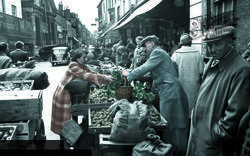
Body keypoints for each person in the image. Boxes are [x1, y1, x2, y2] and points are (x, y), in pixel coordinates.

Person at [186, 26, 250, 156]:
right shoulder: (213, 61)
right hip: (200, 135)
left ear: (229, 42)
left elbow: (236, 113)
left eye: (217, 44)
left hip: (212, 142)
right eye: (209, 45)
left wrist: (215, 135)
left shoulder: (241, 69)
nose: (212, 49)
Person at [122, 35, 189, 156]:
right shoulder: (160, 53)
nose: (145, 48)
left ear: (152, 43)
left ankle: (174, 149)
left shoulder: (157, 53)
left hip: (170, 89)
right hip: (168, 88)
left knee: (171, 120)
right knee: (171, 119)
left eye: (146, 45)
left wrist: (127, 75)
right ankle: (171, 147)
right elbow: (149, 74)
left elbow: (144, 68)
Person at [51, 49, 115, 135]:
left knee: (70, 120)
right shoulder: (73, 66)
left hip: (70, 91)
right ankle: (65, 142)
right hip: (63, 94)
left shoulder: (82, 66)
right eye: (84, 57)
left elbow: (92, 72)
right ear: (77, 59)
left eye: (86, 57)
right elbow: (86, 75)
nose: (86, 59)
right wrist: (104, 78)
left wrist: (106, 77)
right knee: (64, 122)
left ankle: (73, 138)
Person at [171, 33, 204, 119]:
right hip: (194, 86)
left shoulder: (176, 54)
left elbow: (172, 72)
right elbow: (201, 71)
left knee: (182, 106)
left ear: (181, 43)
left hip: (180, 85)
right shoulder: (197, 53)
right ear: (190, 43)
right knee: (192, 106)